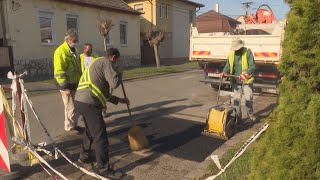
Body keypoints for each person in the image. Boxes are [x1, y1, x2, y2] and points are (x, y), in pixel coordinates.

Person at [74, 48, 129, 179]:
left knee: (89, 130)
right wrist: (119, 72)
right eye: (117, 61)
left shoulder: (97, 62)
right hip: (89, 103)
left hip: (80, 101)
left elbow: (104, 93)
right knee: (101, 136)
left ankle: (85, 156)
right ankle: (103, 169)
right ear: (114, 57)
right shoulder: (106, 62)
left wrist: (120, 100)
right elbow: (115, 84)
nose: (116, 63)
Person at [53, 29, 83, 133]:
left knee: (77, 106)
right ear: (68, 39)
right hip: (67, 85)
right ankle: (69, 127)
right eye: (75, 40)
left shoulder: (74, 50)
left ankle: (75, 125)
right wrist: (65, 87)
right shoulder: (60, 52)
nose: (76, 41)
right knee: (70, 107)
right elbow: (59, 72)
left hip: (75, 83)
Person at [221, 37, 257, 123]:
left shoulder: (248, 52)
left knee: (248, 99)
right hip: (236, 81)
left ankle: (250, 115)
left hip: (246, 81)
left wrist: (245, 74)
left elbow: (252, 66)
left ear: (241, 46)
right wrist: (224, 72)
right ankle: (238, 118)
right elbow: (228, 65)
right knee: (236, 101)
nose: (236, 50)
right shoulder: (231, 54)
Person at [80, 43, 109, 118]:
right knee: (86, 99)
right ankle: (85, 115)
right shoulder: (80, 58)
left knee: (100, 96)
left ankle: (103, 111)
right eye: (89, 50)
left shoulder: (95, 57)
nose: (90, 51)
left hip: (95, 80)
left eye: (91, 49)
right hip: (85, 81)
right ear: (84, 49)